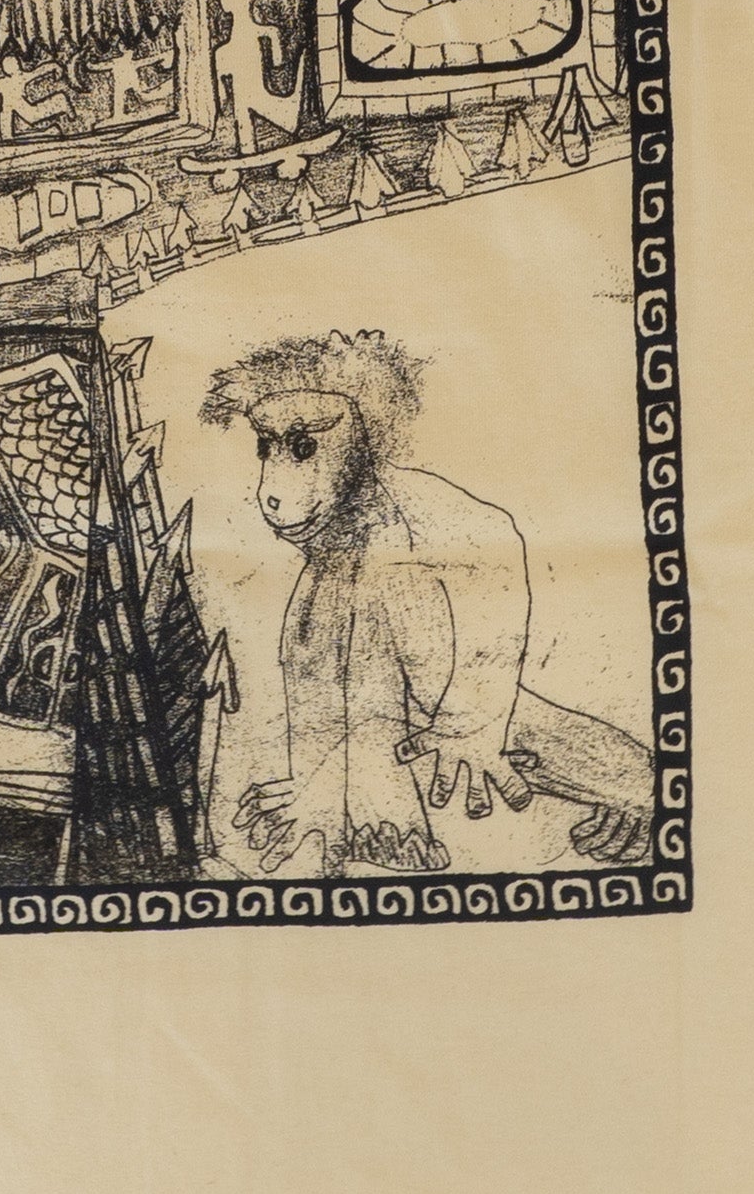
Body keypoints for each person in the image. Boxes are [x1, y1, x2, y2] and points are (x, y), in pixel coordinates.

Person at [200, 329, 655, 878]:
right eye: (266, 446)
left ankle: (643, 788)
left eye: (302, 447)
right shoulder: (338, 548)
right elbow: (315, 672)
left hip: (452, 668)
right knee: (329, 647)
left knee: (498, 723)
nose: (270, 488)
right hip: (399, 670)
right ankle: (370, 821)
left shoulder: (418, 511)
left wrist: (474, 721)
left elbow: (496, 549)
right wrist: (320, 790)